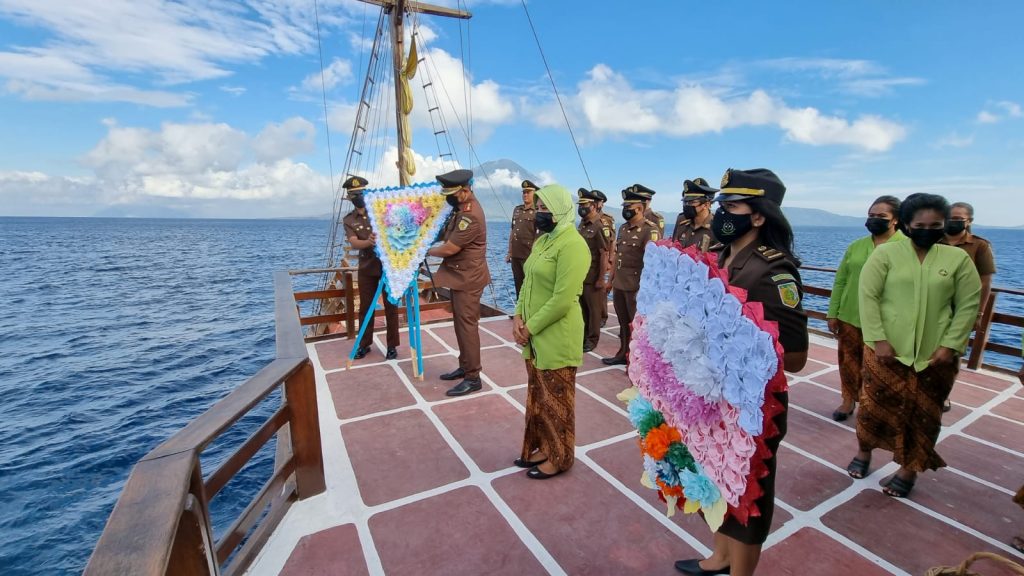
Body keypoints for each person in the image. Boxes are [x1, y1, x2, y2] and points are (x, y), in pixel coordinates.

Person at [674, 168, 808, 576]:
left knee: (748, 493)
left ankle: (740, 572)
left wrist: (739, 349)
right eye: (720, 206)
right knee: (714, 479)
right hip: (713, 395)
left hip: (752, 406)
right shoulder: (718, 254)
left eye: (731, 207)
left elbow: (796, 355)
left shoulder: (773, 271)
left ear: (759, 216)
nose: (720, 214)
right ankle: (720, 557)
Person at [845, 193, 981, 500]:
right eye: (921, 224)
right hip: (886, 351)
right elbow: (869, 297)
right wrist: (878, 338)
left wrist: (950, 345)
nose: (928, 229)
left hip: (935, 357)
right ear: (906, 224)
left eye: (936, 224)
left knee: (924, 415)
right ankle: (864, 453)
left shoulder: (957, 259)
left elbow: (967, 306)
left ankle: (909, 468)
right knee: (872, 409)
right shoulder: (886, 255)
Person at [512, 184, 590, 479]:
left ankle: (560, 458)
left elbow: (562, 298)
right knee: (539, 398)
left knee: (558, 401)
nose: (540, 213)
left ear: (560, 210)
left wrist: (529, 327)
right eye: (539, 207)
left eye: (546, 208)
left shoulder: (573, 245)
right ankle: (545, 446)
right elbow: (527, 281)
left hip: (557, 336)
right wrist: (519, 315)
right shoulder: (543, 241)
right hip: (535, 336)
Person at [825, 196, 906, 421]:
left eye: (881, 216)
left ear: (895, 220)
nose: (874, 220)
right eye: (871, 215)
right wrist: (833, 312)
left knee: (879, 367)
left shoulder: (907, 248)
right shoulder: (857, 246)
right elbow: (841, 280)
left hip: (885, 322)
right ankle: (848, 399)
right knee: (848, 361)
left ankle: (874, 406)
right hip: (850, 316)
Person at [428, 169, 491, 397]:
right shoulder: (461, 209)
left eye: (452, 194)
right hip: (460, 277)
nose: (449, 198)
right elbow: (446, 234)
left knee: (467, 328)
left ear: (464, 191)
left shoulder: (470, 215)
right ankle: (465, 367)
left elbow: (450, 248)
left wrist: (423, 251)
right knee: (460, 325)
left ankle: (473, 377)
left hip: (468, 280)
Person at [939, 201, 996, 412]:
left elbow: (985, 282)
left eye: (957, 218)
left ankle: (944, 394)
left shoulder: (979, 246)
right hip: (933, 305)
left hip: (961, 309)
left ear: (969, 220)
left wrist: (978, 312)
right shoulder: (934, 240)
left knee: (951, 354)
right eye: (949, 217)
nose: (952, 222)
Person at [342, 176, 400, 360]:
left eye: (362, 193)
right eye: (355, 194)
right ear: (350, 197)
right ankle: (364, 344)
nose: (359, 196)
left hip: (387, 266)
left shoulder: (382, 212)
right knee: (366, 307)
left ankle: (392, 346)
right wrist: (368, 242)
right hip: (367, 267)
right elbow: (353, 242)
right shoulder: (349, 220)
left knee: (391, 306)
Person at [601, 186, 660, 366]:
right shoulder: (624, 229)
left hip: (636, 286)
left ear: (640, 208)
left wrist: (647, 290)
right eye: (624, 206)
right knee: (623, 323)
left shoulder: (650, 230)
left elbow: (653, 263)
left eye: (629, 206)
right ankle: (623, 352)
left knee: (638, 327)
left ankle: (638, 361)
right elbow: (617, 256)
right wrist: (610, 280)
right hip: (620, 283)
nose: (625, 209)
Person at [576, 188, 614, 353]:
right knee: (583, 309)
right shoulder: (582, 224)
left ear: (593, 206)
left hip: (593, 276)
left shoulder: (600, 226)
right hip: (581, 275)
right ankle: (583, 336)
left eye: (584, 205)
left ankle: (592, 339)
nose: (581, 208)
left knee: (594, 310)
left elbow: (604, 253)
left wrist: (601, 279)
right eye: (580, 205)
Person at [506, 180, 539, 298]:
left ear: (535, 194)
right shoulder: (517, 210)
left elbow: (538, 236)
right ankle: (520, 314)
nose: (525, 194)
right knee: (518, 287)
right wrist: (510, 252)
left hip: (528, 255)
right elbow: (513, 231)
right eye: (524, 192)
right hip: (515, 255)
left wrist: (535, 256)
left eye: (528, 192)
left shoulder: (538, 212)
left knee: (530, 288)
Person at [671, 177, 717, 251]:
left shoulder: (716, 229)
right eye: (686, 202)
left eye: (692, 202)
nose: (687, 205)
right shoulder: (682, 225)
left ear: (706, 205)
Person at [595, 189, 615, 327]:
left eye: (597, 201)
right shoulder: (586, 220)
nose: (595, 204)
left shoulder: (606, 219)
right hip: (590, 258)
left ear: (602, 203)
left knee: (601, 288)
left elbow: (612, 240)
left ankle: (602, 315)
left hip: (603, 257)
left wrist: (610, 260)